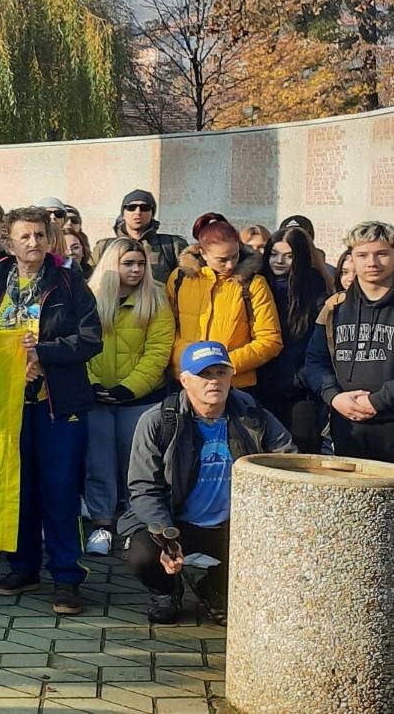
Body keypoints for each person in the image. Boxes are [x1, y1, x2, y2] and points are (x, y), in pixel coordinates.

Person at [0, 207, 103, 615]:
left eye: (39, 236)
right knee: (21, 488)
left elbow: (90, 340)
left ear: (50, 240)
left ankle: (67, 577)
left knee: (61, 490)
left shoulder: (70, 282)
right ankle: (24, 566)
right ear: (9, 242)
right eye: (24, 236)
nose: (32, 243)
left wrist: (42, 353)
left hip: (57, 403)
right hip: (7, 403)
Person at [123, 341, 293, 624]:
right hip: (177, 524)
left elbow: (288, 461)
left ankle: (216, 587)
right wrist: (167, 537)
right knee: (142, 553)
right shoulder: (156, 420)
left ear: (231, 377)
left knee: (279, 548)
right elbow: (143, 488)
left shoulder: (254, 415)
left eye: (220, 373)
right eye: (205, 374)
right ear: (185, 380)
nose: (214, 381)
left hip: (235, 526)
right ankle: (167, 591)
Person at [82, 239, 175, 557]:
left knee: (137, 468)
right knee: (99, 465)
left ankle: (134, 528)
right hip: (95, 400)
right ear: (112, 265)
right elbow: (79, 345)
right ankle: (102, 525)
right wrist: (91, 383)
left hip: (138, 400)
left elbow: (158, 351)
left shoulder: (156, 299)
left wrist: (130, 387)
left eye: (140, 264)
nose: (136, 270)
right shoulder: (87, 298)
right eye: (128, 264)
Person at [307, 221, 394, 461]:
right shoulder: (335, 307)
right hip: (347, 428)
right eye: (362, 255)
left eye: (382, 254)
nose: (372, 262)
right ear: (351, 259)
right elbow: (315, 361)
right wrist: (334, 397)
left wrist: (378, 401)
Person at [168, 213, 282, 389]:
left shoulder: (253, 283)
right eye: (222, 260)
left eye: (234, 256)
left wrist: (221, 365)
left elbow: (270, 340)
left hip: (235, 384)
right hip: (186, 380)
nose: (230, 265)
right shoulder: (180, 279)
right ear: (203, 253)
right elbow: (167, 329)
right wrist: (190, 359)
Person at [259, 226, 334, 453]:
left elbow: (314, 343)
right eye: (274, 254)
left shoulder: (313, 288)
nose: (279, 261)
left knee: (301, 452)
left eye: (288, 255)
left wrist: (302, 378)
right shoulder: (258, 284)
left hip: (300, 390)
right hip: (261, 385)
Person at [97, 190, 189, 289]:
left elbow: (190, 284)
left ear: (152, 213)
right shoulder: (104, 247)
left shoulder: (173, 245)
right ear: (123, 213)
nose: (138, 212)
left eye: (145, 208)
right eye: (131, 208)